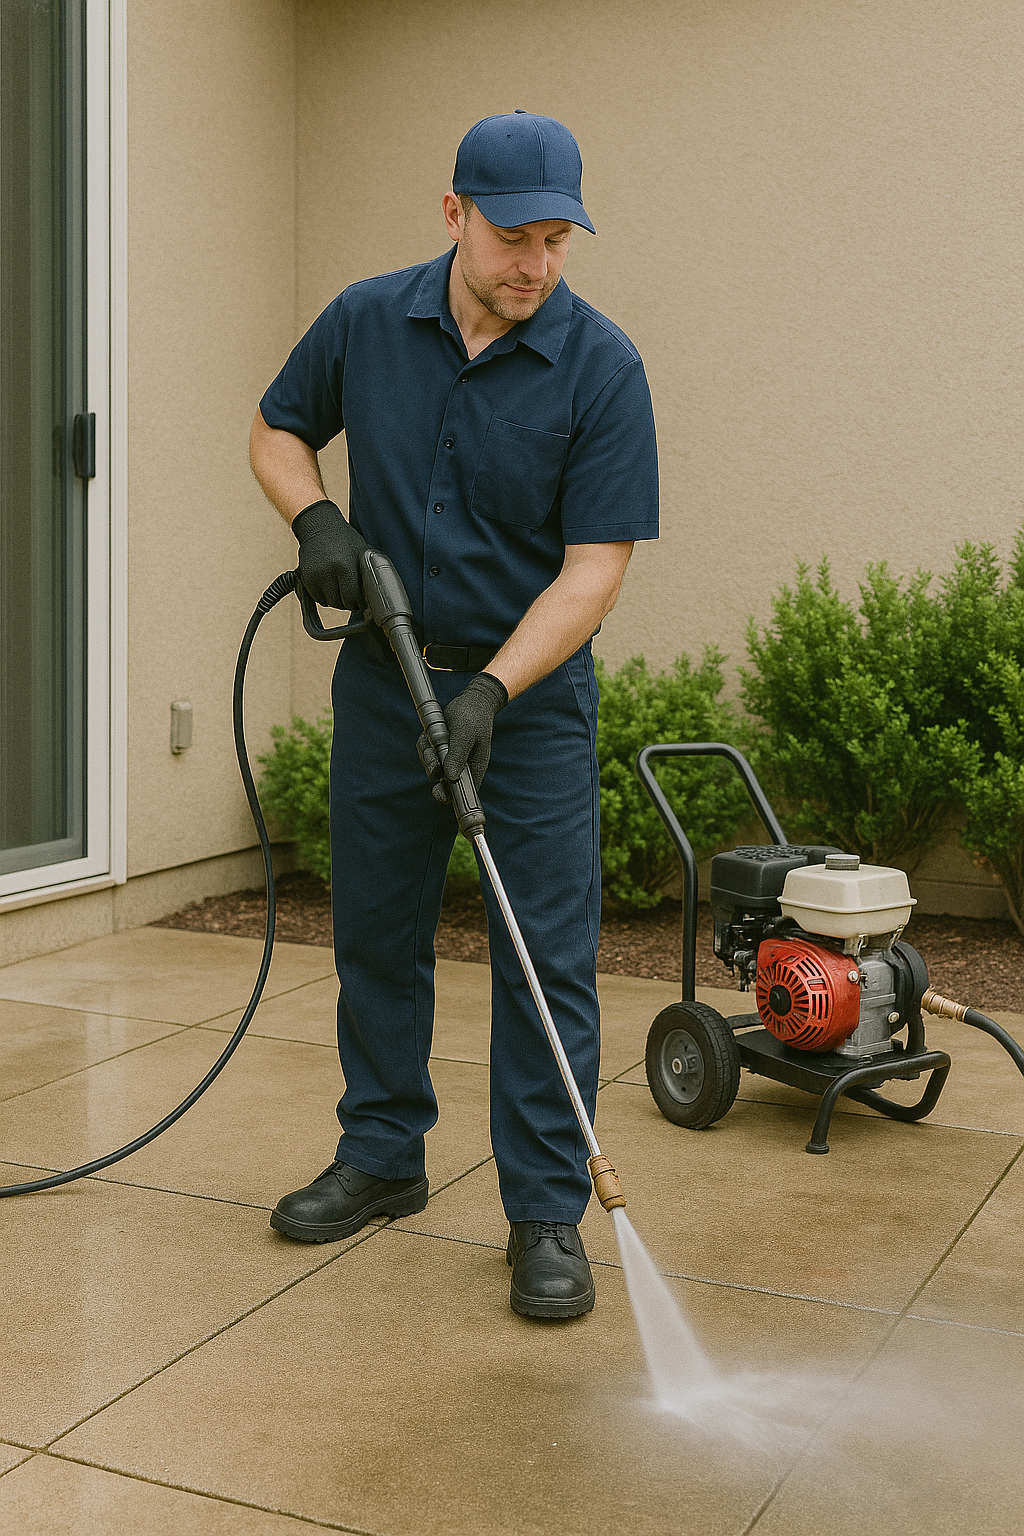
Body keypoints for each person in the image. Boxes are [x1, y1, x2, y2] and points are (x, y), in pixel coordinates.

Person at [249, 111, 658, 1319]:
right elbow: (278, 428)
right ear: (452, 216)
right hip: (384, 681)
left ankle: (543, 1211)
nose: (535, 262)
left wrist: (491, 690)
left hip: (524, 701)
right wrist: (315, 518)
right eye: (512, 235)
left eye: (555, 239)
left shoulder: (601, 364)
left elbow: (594, 568)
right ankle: (382, 1157)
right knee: (377, 931)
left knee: (542, 959)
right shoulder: (367, 321)